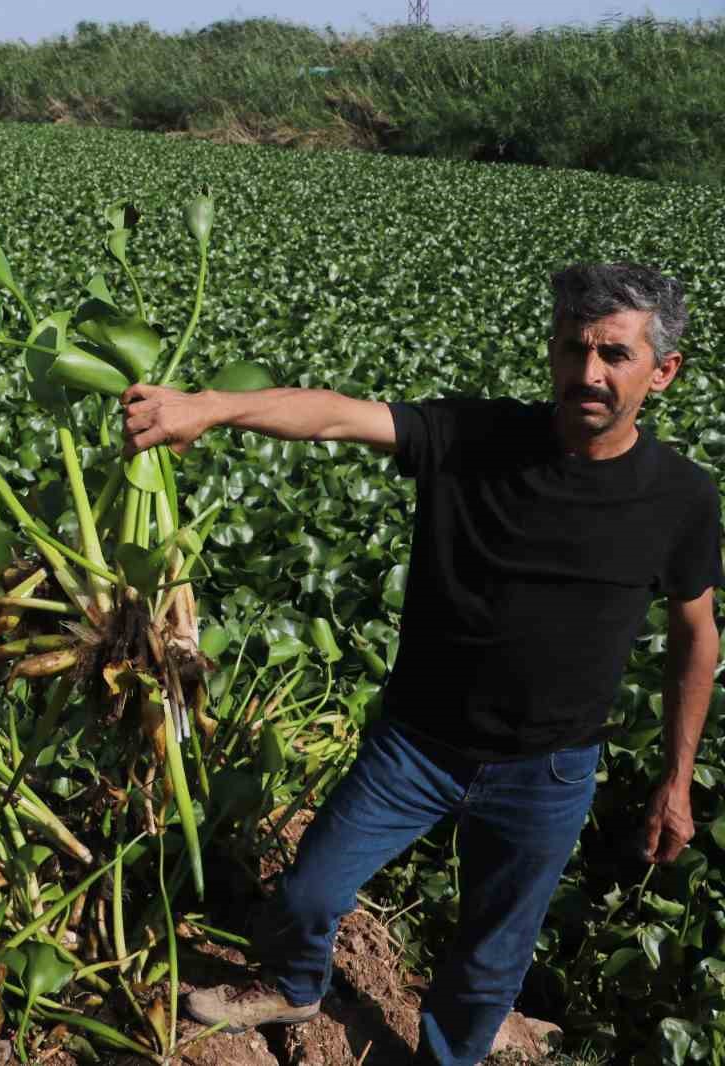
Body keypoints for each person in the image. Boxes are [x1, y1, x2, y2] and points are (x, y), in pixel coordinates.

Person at [121, 263, 720, 1065]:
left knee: (489, 959)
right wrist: (210, 408)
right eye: (573, 349)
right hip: (418, 746)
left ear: (664, 370)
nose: (588, 374)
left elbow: (696, 635)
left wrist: (676, 780)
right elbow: (335, 416)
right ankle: (298, 984)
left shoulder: (680, 496)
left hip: (547, 771)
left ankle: (449, 1058)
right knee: (308, 894)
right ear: (550, 351)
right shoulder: (477, 437)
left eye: (615, 355)